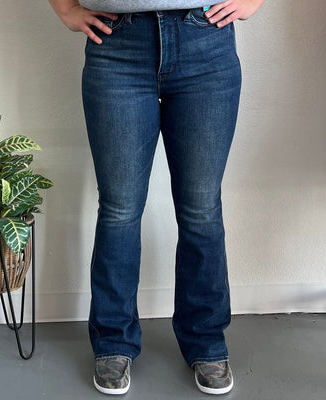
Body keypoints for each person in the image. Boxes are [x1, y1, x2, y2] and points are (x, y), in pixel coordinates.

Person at [49, 0, 264, 395]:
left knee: (201, 209)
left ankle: (206, 341)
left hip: (206, 39)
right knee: (119, 209)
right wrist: (65, 8)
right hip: (117, 45)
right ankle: (113, 341)